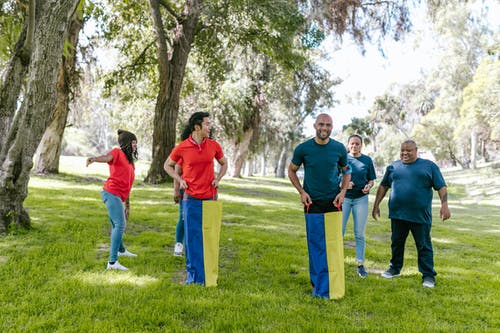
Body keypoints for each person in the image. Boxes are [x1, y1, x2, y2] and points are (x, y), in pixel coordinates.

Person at [372, 140, 451, 288]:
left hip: (420, 216)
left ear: (416, 151)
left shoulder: (429, 166)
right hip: (398, 214)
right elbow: (383, 186)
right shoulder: (393, 166)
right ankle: (394, 268)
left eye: (409, 150)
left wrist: (444, 205)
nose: (405, 153)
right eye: (402, 150)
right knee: (396, 243)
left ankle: (428, 275)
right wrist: (376, 205)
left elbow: (441, 186)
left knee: (424, 246)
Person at [288, 113, 351, 298]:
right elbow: (292, 171)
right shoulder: (303, 148)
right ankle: (318, 285)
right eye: (321, 124)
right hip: (312, 202)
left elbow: (347, 172)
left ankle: (334, 283)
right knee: (316, 244)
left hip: (333, 202)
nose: (325, 128)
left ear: (332, 127)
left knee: (333, 244)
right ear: (315, 125)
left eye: (328, 125)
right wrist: (302, 192)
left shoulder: (339, 148)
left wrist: (343, 192)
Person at [164, 112, 227, 284]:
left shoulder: (213, 145)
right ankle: (194, 278)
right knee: (192, 240)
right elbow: (167, 166)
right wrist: (180, 181)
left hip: (210, 198)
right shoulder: (182, 147)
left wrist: (217, 178)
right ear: (197, 127)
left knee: (209, 238)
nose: (210, 127)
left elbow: (224, 163)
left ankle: (208, 277)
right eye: (207, 124)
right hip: (190, 199)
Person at [86, 130, 139, 271]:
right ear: (127, 143)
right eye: (133, 142)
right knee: (120, 224)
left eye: (136, 143)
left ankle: (121, 250)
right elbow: (107, 157)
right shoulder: (117, 152)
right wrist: (95, 158)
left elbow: (128, 185)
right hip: (111, 193)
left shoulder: (130, 162)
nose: (135, 145)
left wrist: (127, 206)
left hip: (117, 196)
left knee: (117, 225)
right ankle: (112, 262)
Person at [341, 134, 376, 278]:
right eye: (352, 144)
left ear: (361, 145)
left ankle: (360, 264)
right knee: (339, 232)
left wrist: (369, 186)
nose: (354, 146)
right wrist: (344, 184)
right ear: (348, 145)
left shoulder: (367, 160)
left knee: (359, 233)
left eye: (357, 144)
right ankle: (335, 262)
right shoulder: (343, 159)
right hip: (344, 199)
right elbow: (335, 177)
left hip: (361, 199)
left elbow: (372, 179)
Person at [172, 126, 192, 257]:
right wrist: (176, 192)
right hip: (185, 190)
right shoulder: (183, 150)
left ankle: (191, 245)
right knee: (183, 218)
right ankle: (179, 244)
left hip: (200, 191)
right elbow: (177, 172)